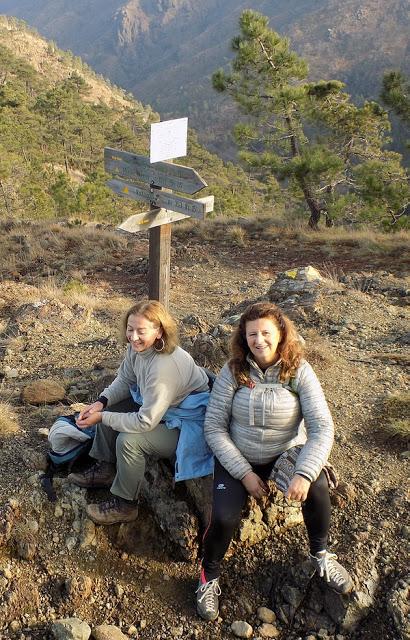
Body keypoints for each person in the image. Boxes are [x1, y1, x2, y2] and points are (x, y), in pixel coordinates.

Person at [195, 301, 353, 622]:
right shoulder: (233, 371)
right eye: (252, 334)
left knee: (319, 486)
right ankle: (208, 577)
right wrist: (244, 474)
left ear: (280, 334)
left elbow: (323, 428)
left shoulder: (299, 371)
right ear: (243, 337)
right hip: (238, 454)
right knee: (224, 517)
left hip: (285, 452)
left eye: (266, 332)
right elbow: (213, 426)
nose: (259, 340)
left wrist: (305, 474)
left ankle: (321, 554)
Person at [68, 300, 213, 525]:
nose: (133, 337)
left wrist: (103, 417)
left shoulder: (163, 367)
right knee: (111, 409)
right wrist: (101, 403)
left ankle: (126, 505)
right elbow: (126, 379)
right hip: (161, 411)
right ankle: (106, 469)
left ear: (159, 332)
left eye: (141, 331)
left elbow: (145, 422)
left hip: (185, 424)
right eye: (130, 329)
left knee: (129, 441)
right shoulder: (138, 349)